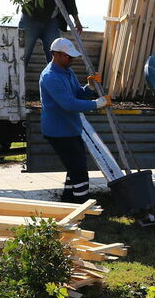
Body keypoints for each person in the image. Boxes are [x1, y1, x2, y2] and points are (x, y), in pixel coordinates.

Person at [39, 37, 111, 203]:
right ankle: (81, 204)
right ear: (56, 54)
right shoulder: (50, 76)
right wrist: (98, 103)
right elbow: (69, 104)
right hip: (58, 132)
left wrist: (89, 87)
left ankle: (68, 201)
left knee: (74, 167)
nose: (72, 60)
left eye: (72, 57)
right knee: (79, 170)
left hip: (70, 128)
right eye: (68, 56)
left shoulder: (67, 71)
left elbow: (77, 94)